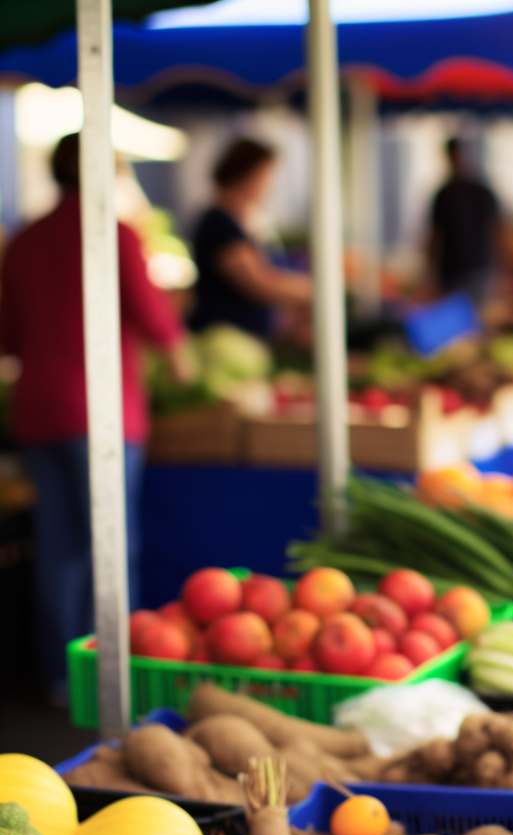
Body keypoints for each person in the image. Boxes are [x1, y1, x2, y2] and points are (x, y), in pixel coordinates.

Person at [0, 134, 188, 706]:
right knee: (109, 543)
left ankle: (63, 675)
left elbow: (7, 337)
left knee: (58, 542)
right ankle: (109, 674)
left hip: (36, 408)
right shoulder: (113, 234)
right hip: (101, 410)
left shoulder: (24, 239)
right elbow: (158, 323)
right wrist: (180, 363)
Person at [189, 138, 311, 339]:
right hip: (225, 338)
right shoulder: (218, 223)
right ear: (246, 174)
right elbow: (257, 281)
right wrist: (311, 291)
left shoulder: (241, 222)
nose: (270, 186)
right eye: (266, 176)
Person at [427, 137, 500, 305]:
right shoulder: (447, 193)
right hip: (465, 268)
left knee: (464, 321)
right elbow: (498, 230)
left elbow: (497, 230)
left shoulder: (447, 193)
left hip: (470, 268)